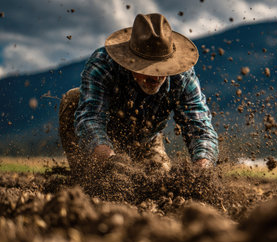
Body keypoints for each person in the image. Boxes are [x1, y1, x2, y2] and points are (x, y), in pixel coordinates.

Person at [58, 13, 218, 176]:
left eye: (162, 69)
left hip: (146, 140)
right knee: (73, 99)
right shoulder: (103, 64)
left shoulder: (182, 77)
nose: (155, 77)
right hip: (102, 136)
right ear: (130, 61)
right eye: (147, 69)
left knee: (158, 179)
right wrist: (110, 161)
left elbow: (199, 127)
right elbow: (90, 118)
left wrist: (202, 168)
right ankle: (84, 177)